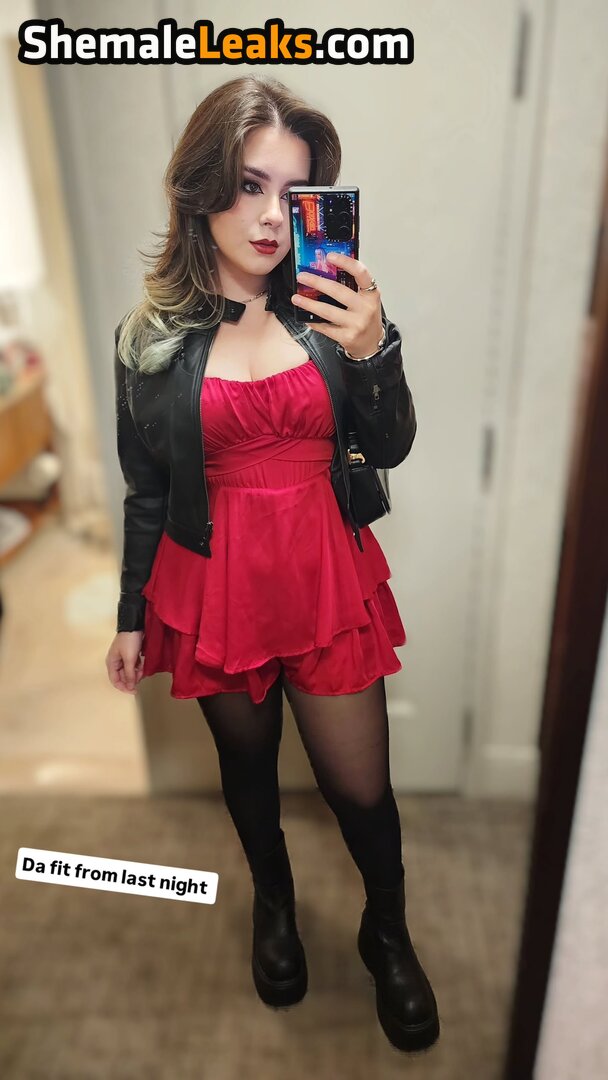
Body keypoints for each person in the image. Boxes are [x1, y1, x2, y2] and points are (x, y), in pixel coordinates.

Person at [105, 75, 439, 1054]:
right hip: (212, 584)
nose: (267, 217)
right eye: (249, 185)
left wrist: (374, 350)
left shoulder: (332, 307)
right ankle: (275, 903)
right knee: (247, 773)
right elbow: (146, 491)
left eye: (290, 193)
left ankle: (388, 932)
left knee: (361, 792)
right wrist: (130, 615)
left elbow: (391, 444)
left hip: (323, 576)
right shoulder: (149, 340)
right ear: (201, 187)